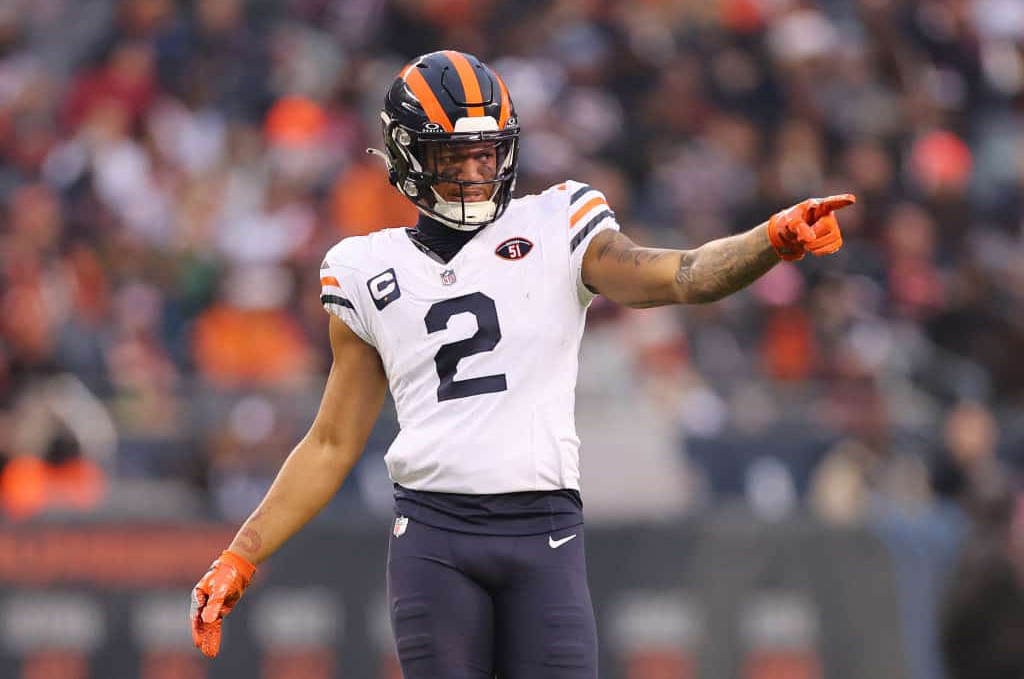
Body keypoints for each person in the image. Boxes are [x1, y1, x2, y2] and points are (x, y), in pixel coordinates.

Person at [189, 50, 855, 677]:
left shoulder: (558, 222)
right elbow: (332, 442)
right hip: (433, 536)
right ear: (405, 154)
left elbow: (680, 276)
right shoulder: (366, 268)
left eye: (487, 153)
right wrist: (240, 554)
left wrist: (769, 241)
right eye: (455, 155)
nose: (476, 171)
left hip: (545, 531)